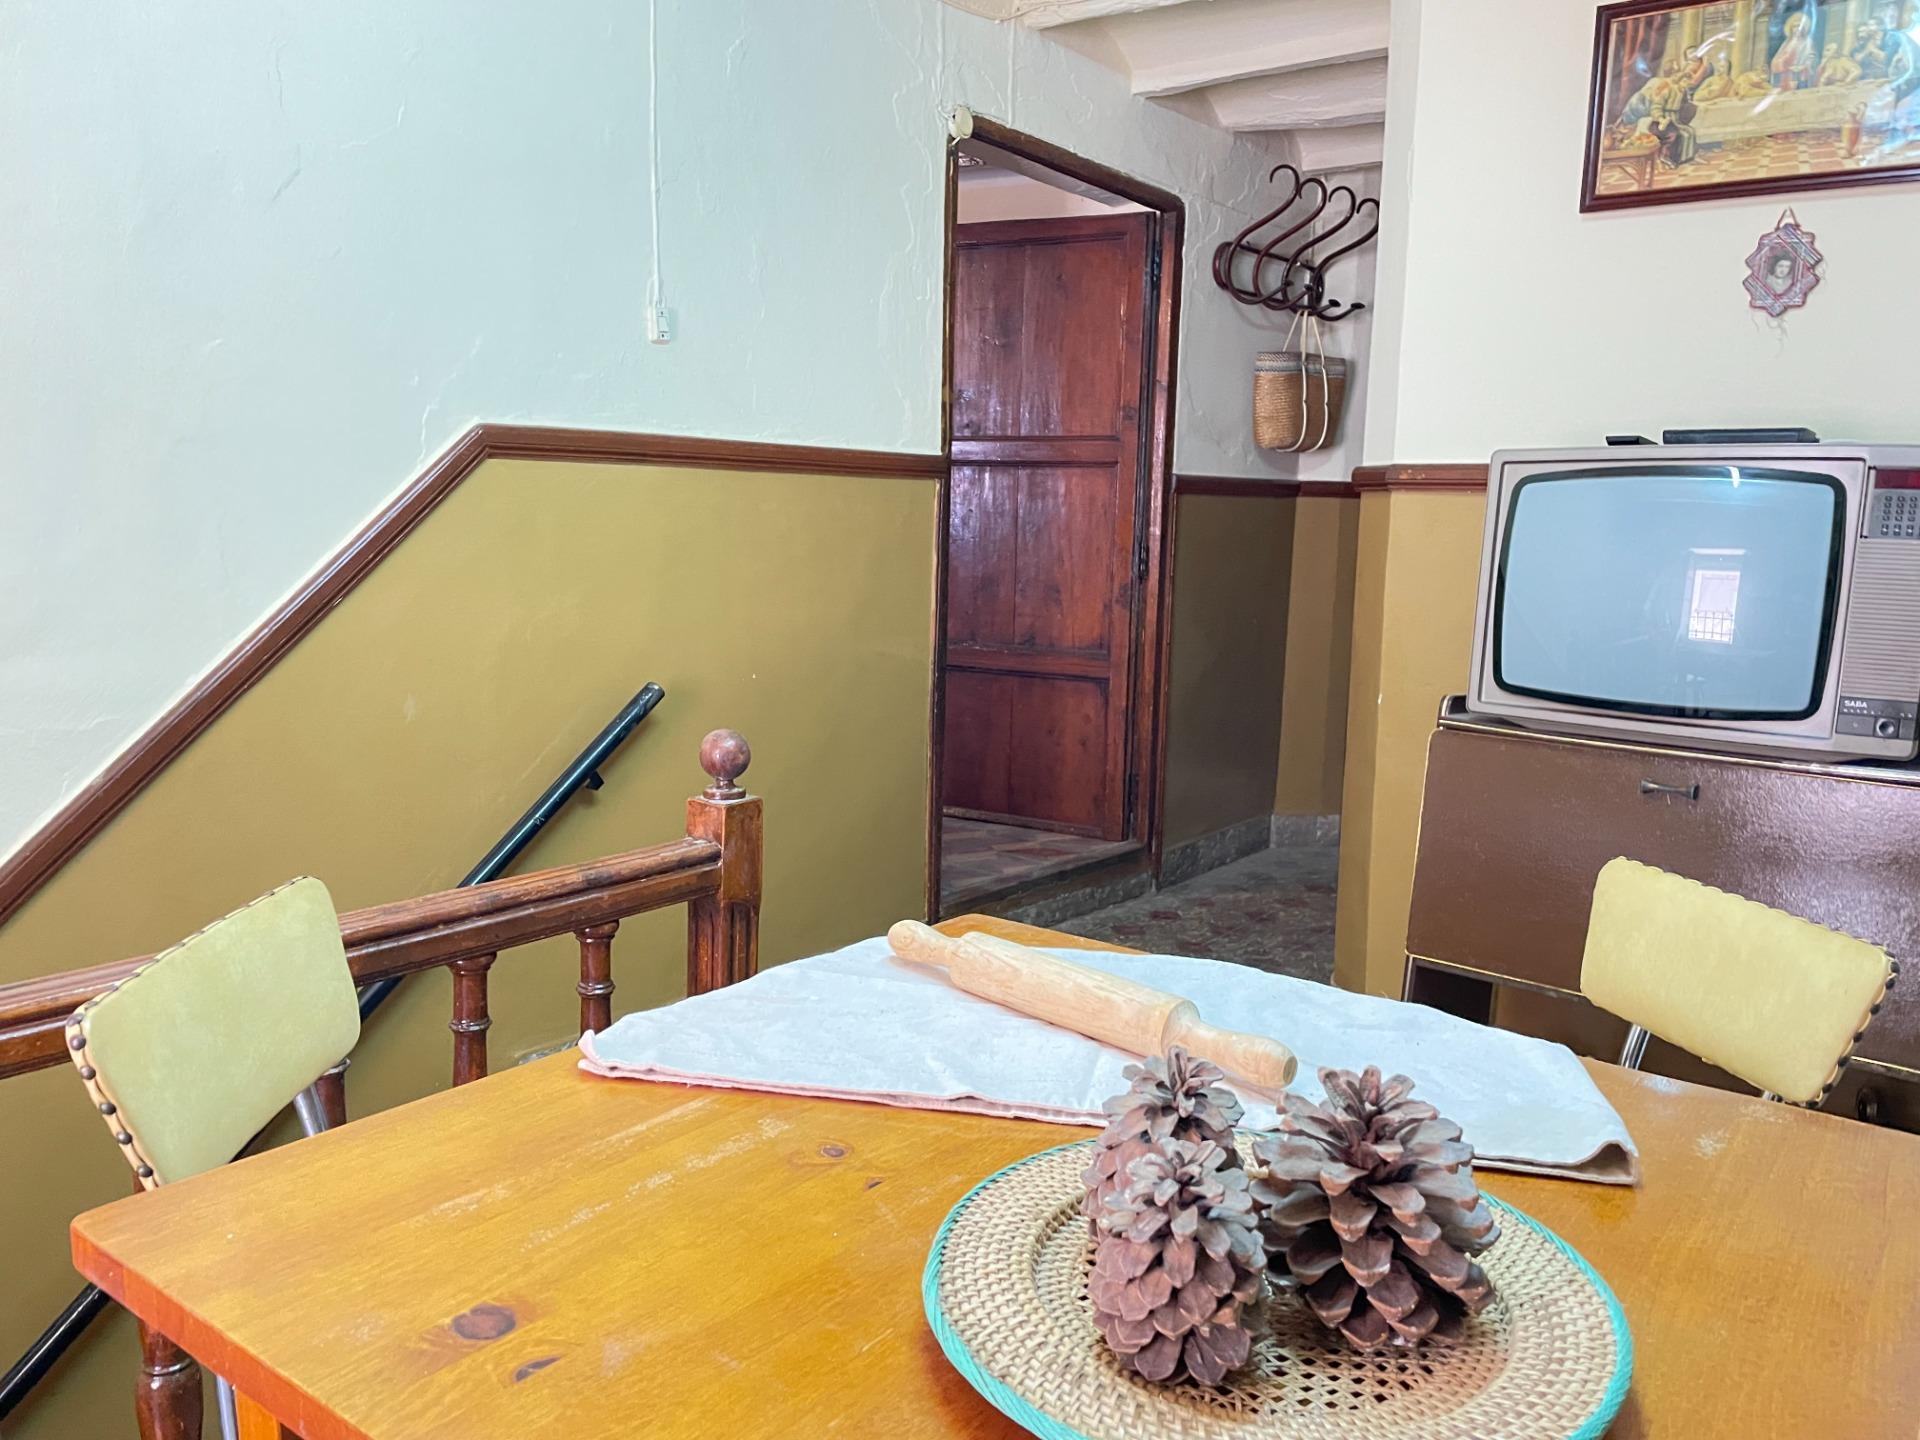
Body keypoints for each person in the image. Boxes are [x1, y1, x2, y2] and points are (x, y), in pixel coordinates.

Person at [1771, 11, 1817, 90]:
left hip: (1801, 70)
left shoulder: (1807, 42)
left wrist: (1803, 66)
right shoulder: (1787, 43)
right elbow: (1778, 58)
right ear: (1791, 29)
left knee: (1801, 78)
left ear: (1804, 28)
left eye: (1799, 26)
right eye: (1795, 26)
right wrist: (1781, 62)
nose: (1797, 29)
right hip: (1787, 71)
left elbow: (1812, 56)